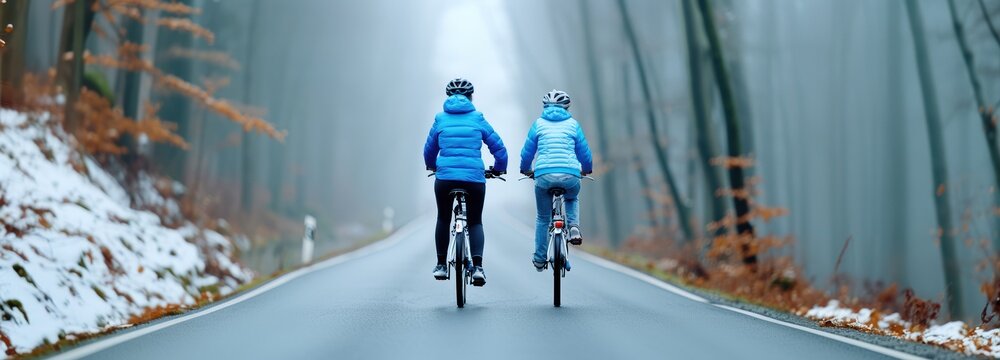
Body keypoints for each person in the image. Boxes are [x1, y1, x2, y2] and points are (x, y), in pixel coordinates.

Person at [423, 78, 507, 286]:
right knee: (475, 221)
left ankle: (441, 265)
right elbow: (498, 147)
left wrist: (431, 166)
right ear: (470, 98)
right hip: (474, 179)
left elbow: (429, 149)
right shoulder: (478, 118)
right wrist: (498, 168)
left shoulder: (440, 119)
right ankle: (478, 267)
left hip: (445, 179)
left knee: (443, 218)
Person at [520, 89, 593, 272]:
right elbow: (584, 151)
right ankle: (574, 226)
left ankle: (539, 258)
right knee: (571, 197)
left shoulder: (538, 124)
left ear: (545, 106)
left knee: (543, 218)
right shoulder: (573, 125)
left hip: (544, 175)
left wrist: (526, 169)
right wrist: (586, 169)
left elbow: (528, 151)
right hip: (570, 174)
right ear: (567, 107)